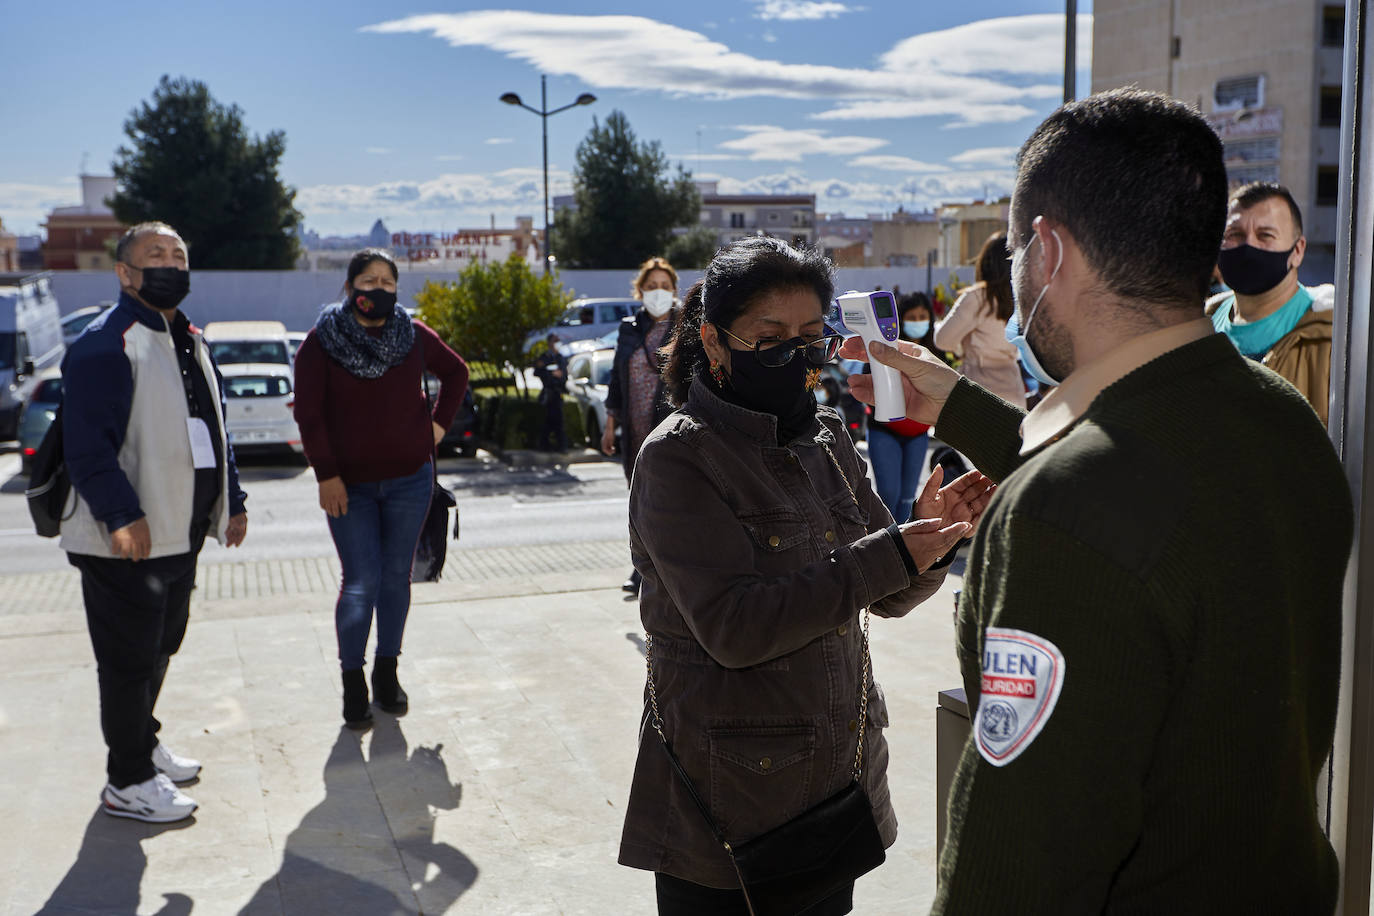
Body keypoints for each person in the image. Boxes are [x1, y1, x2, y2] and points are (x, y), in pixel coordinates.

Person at [843, 88, 1352, 913]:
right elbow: (1150, 481)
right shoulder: (1277, 416)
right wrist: (957, 405)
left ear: (1047, 250)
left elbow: (1012, 877)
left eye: (1011, 249)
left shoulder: (1061, 515)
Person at [618, 237, 994, 915]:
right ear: (713, 341)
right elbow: (735, 627)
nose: (796, 354)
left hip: (831, 788)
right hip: (729, 810)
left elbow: (887, 591)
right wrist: (893, 552)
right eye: (770, 337)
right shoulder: (678, 458)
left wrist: (931, 538)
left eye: (811, 337)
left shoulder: (826, 437)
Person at [62, 221, 249, 823]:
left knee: (161, 645)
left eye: (179, 255)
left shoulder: (188, 338)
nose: (171, 264)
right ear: (125, 273)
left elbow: (215, 431)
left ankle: (141, 743)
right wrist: (122, 517)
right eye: (155, 256)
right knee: (128, 662)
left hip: (179, 531)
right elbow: (86, 447)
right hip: (126, 539)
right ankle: (127, 780)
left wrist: (232, 501)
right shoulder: (105, 343)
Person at [293, 248, 469, 730]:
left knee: (396, 579)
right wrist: (325, 474)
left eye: (388, 283)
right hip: (348, 487)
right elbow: (308, 414)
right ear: (350, 288)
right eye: (368, 280)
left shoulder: (411, 334)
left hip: (410, 480)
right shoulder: (319, 342)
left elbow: (456, 373)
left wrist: (437, 428)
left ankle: (386, 672)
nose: (378, 289)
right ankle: (353, 682)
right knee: (360, 582)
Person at [1209, 181, 1334, 424]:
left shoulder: (1333, 341)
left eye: (1265, 235)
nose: (1249, 246)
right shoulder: (1201, 324)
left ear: (1297, 251)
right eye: (1235, 235)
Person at [602, 256, 682, 594]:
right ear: (640, 291)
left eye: (664, 286)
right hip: (634, 430)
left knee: (669, 500)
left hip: (671, 427)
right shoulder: (628, 330)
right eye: (651, 287)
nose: (658, 292)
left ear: (674, 290)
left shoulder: (686, 327)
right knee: (639, 501)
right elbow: (617, 381)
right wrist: (610, 423)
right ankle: (643, 567)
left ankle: (666, 568)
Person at [865, 292, 940, 522]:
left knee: (908, 499)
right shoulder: (885, 346)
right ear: (900, 319)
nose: (917, 321)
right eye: (911, 317)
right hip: (884, 431)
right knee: (888, 495)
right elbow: (868, 384)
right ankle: (886, 548)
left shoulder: (936, 352)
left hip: (918, 435)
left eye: (922, 316)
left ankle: (905, 550)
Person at [934, 231, 1026, 408]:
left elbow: (942, 340)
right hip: (1014, 390)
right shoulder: (1023, 298)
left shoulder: (978, 297)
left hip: (978, 391)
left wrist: (943, 329)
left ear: (985, 262)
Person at [533, 332, 569, 452]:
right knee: (548, 420)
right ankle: (544, 445)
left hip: (557, 393)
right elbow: (537, 371)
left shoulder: (560, 358)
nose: (557, 344)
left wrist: (560, 376)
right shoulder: (545, 357)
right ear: (549, 343)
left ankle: (561, 446)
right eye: (554, 341)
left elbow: (564, 376)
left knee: (558, 420)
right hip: (548, 393)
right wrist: (550, 374)